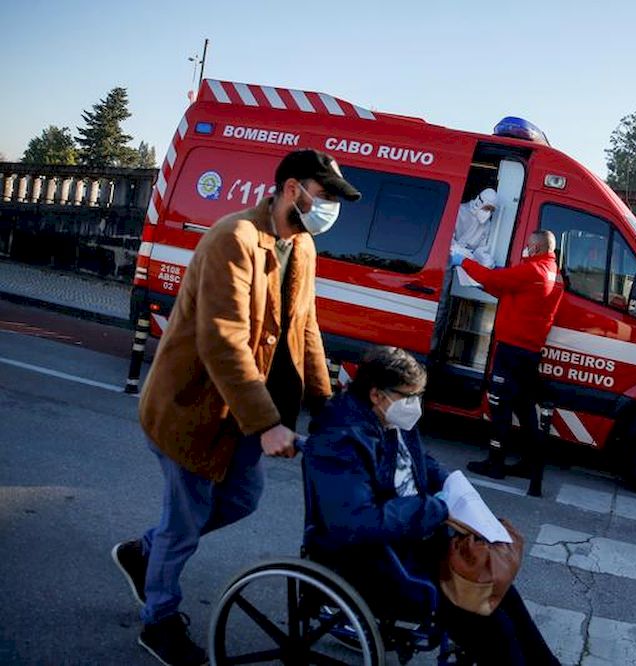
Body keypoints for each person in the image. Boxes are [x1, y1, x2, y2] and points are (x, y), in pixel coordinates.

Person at [112, 149, 360, 666]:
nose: (331, 207)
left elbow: (304, 329)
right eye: (327, 195)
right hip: (192, 408)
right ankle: (158, 622)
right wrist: (269, 424)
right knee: (187, 519)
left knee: (241, 499)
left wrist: (327, 405)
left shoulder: (303, 246)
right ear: (293, 189)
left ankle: (145, 551)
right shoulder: (234, 238)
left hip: (244, 411)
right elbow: (224, 341)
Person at [302, 346, 558, 666]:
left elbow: (418, 462)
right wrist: (433, 510)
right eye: (409, 397)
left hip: (414, 539)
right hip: (378, 559)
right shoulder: (340, 440)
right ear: (377, 395)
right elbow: (355, 521)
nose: (415, 405)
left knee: (500, 588)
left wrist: (451, 486)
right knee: (491, 624)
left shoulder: (388, 419)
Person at [450, 230, 564, 484]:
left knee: (500, 406)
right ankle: (529, 464)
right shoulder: (554, 275)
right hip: (530, 352)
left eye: (527, 246)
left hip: (512, 350)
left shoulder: (532, 271)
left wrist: (464, 262)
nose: (524, 249)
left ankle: (495, 463)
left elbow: (496, 279)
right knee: (525, 409)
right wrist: (487, 281)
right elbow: (510, 292)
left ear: (535, 248)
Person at [452, 188, 498, 265]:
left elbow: (480, 249)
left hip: (466, 262)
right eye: (487, 208)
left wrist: (485, 260)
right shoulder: (459, 211)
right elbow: (446, 237)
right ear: (479, 202)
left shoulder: (487, 225)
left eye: (491, 210)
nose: (488, 213)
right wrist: (458, 250)